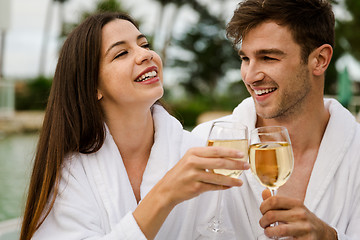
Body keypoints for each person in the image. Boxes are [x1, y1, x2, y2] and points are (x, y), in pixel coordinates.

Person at [19, 12, 250, 240]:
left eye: (145, 44)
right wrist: (165, 194)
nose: (145, 54)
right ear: (92, 87)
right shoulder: (71, 173)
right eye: (121, 53)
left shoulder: (194, 153)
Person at [192, 0, 360, 239]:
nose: (250, 76)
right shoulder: (203, 144)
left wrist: (329, 237)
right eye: (245, 58)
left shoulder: (357, 154)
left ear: (320, 59)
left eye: (268, 58)